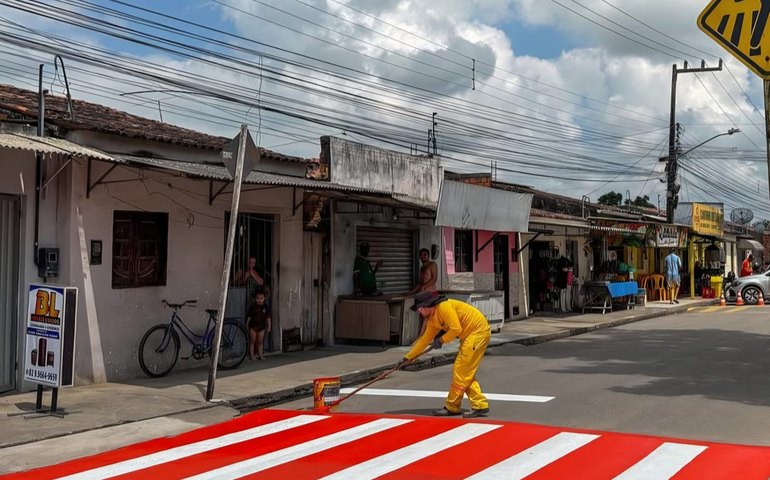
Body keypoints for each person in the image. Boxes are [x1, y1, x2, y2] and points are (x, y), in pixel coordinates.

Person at [400, 291, 492, 418]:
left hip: (478, 333)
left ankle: (453, 406)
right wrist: (408, 358)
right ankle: (479, 405)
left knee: (461, 371)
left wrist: (441, 340)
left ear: (427, 306)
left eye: (420, 308)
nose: (419, 312)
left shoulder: (444, 307)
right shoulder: (433, 320)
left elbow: (456, 329)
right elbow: (424, 340)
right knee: (464, 372)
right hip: (470, 336)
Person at [246, 289, 271, 360]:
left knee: (260, 342)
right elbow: (249, 318)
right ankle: (252, 355)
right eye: (258, 298)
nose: (259, 300)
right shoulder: (252, 307)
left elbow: (268, 318)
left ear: (264, 298)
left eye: (261, 298)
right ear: (255, 298)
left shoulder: (266, 307)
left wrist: (269, 327)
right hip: (253, 326)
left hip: (262, 326)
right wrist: (247, 325)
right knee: (252, 341)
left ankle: (260, 355)